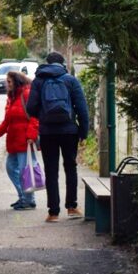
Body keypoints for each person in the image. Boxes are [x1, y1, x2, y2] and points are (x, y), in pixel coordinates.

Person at [25, 51, 90, 223]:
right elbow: (82, 108)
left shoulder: (39, 81)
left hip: (47, 132)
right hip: (69, 132)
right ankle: (72, 207)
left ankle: (53, 212)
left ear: (47, 63)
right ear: (63, 64)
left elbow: (30, 108)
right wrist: (83, 132)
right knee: (70, 167)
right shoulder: (71, 80)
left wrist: (44, 115)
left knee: (51, 170)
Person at [0, 70, 39, 210]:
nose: (7, 84)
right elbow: (7, 122)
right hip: (14, 142)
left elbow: (35, 117)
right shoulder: (12, 97)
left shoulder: (26, 94)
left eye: (9, 81)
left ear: (17, 81)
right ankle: (24, 197)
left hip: (25, 141)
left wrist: (31, 136)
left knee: (25, 172)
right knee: (11, 168)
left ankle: (28, 200)